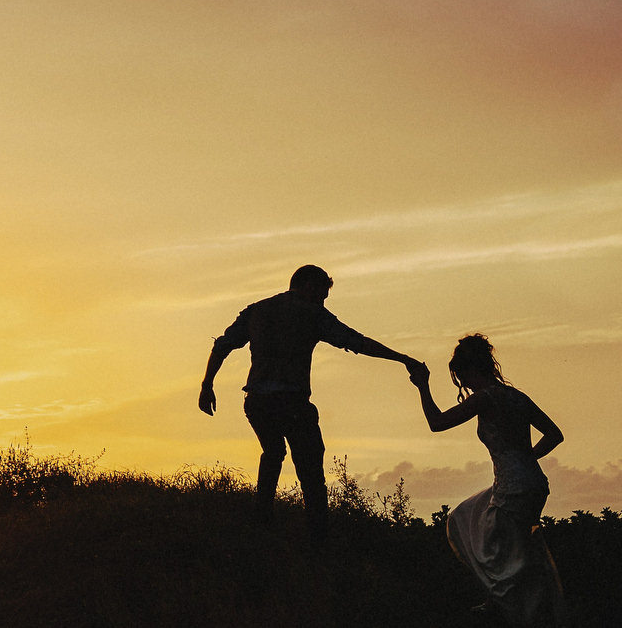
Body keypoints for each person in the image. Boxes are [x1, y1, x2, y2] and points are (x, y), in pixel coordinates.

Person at [199, 264, 424, 541]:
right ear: (308, 286)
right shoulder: (312, 314)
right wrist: (403, 358)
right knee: (310, 470)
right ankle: (318, 537)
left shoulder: (257, 310)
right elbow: (357, 342)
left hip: (257, 401)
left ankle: (262, 520)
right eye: (321, 294)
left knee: (272, 453)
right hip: (292, 402)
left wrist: (207, 384)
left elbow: (222, 345)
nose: (322, 301)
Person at [412, 334, 567, 626]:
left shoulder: (486, 398)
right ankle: (502, 602)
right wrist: (526, 459)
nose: (464, 385)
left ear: (471, 370)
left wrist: (423, 386)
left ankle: (510, 609)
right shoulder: (517, 397)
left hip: (514, 488)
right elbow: (555, 434)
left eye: (462, 377)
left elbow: (437, 423)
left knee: (494, 548)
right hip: (532, 483)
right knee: (469, 519)